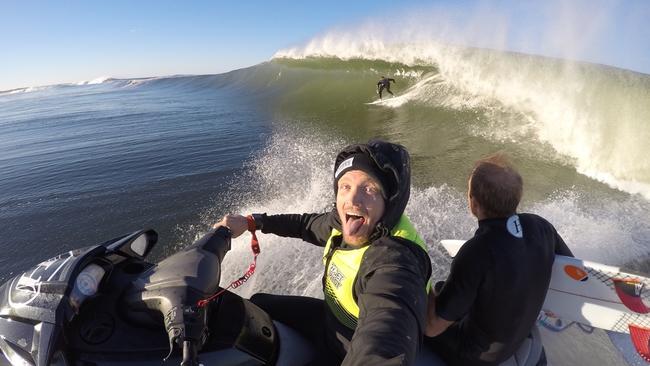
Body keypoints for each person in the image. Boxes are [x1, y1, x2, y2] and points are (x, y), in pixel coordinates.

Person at [214, 139, 432, 365]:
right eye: (345, 186)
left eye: (369, 188)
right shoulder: (342, 223)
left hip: (347, 350)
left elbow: (387, 328)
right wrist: (252, 222)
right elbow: (304, 224)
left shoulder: (396, 260)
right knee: (256, 306)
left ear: (391, 200)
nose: (352, 200)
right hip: (330, 321)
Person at [425, 153, 573, 366]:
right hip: (518, 336)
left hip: (477, 356)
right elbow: (567, 268)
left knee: (422, 312)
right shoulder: (541, 227)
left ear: (473, 204)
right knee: (447, 290)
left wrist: (423, 281)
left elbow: (433, 327)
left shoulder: (476, 252)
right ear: (517, 197)